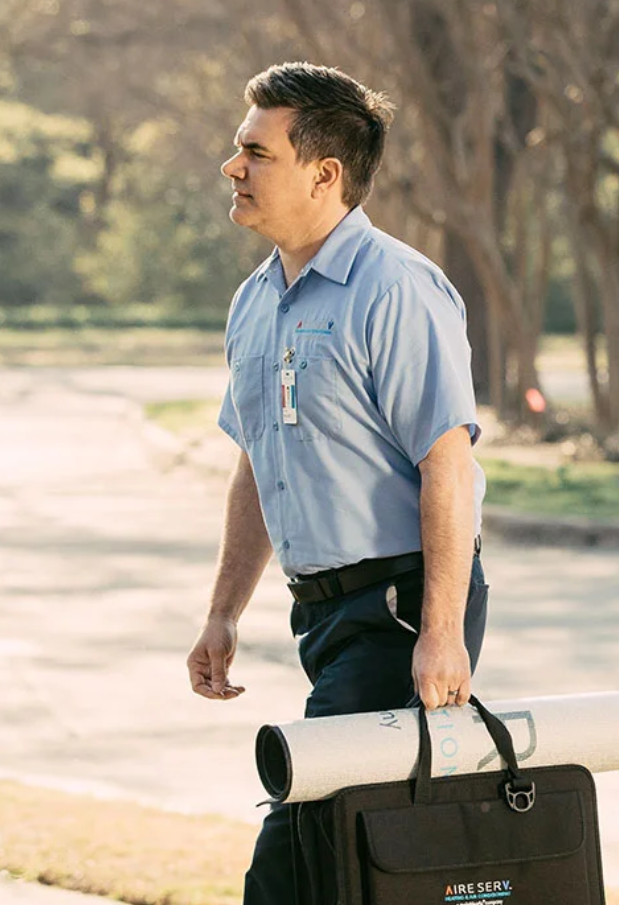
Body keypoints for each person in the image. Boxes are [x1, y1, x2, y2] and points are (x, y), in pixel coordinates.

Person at [184, 61, 489, 905]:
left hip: (397, 610)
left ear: (325, 173)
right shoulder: (255, 302)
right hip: (322, 613)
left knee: (292, 855)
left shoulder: (397, 289)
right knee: (361, 862)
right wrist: (223, 610)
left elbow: (448, 464)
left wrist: (443, 629)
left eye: (256, 151)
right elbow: (255, 458)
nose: (231, 165)